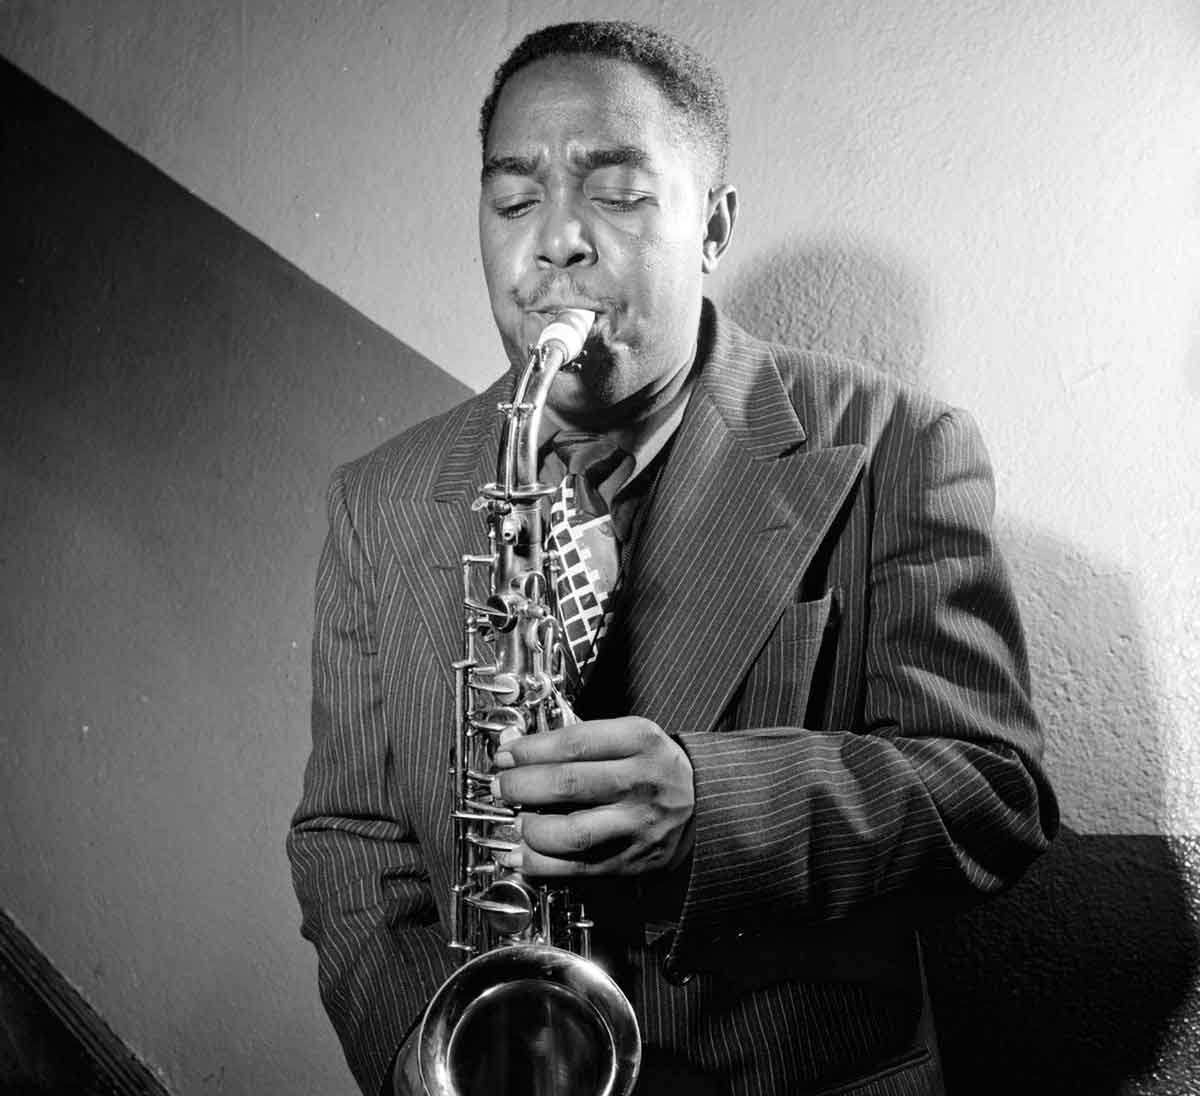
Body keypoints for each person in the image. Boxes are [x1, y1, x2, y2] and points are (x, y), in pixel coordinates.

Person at [287, 20, 1058, 1096]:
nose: (554, 241)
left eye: (616, 193)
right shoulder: (378, 497)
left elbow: (992, 797)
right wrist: (434, 1061)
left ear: (713, 225)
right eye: (513, 200)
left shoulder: (898, 444)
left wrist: (708, 807)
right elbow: (348, 837)